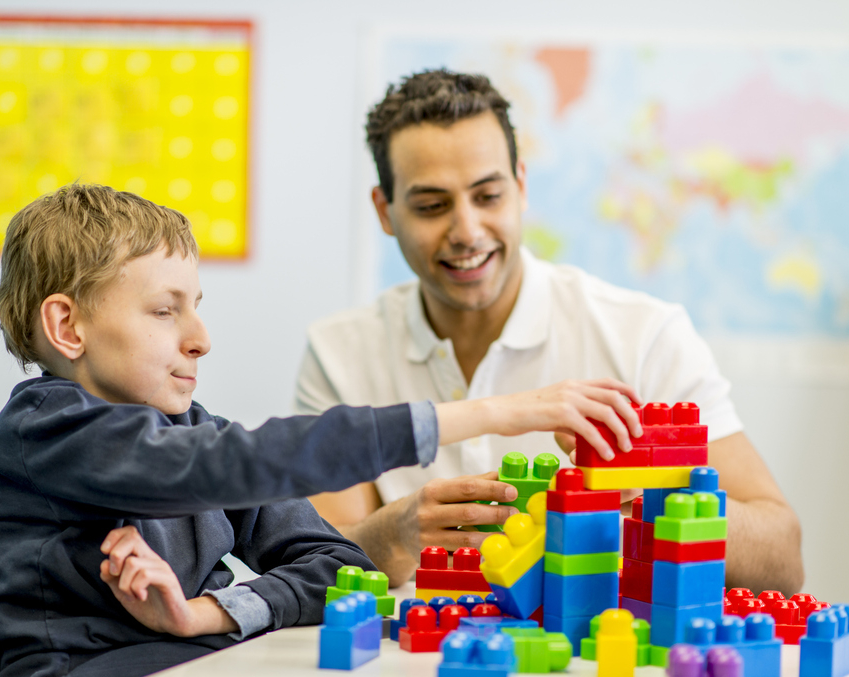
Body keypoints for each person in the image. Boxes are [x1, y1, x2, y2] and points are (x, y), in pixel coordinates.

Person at [0, 183, 652, 677]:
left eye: (196, 305)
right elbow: (226, 464)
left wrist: (203, 614)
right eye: (165, 310)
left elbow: (336, 565)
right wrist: (493, 414)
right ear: (67, 325)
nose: (200, 338)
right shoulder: (45, 429)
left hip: (195, 675)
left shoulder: (191, 436)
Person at [296, 70, 803, 596]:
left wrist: (653, 494)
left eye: (488, 195)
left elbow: (783, 561)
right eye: (431, 206)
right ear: (386, 211)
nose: (467, 231)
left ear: (520, 187)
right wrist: (395, 533)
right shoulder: (341, 354)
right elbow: (310, 561)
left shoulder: (645, 337)